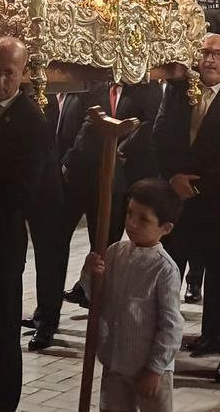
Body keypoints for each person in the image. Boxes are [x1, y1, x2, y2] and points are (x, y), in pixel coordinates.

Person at [153, 33, 220, 383]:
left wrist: (195, 184)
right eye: (205, 53)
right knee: (168, 278)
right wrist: (172, 177)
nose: (210, 60)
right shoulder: (178, 93)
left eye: (218, 54)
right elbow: (160, 136)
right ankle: (159, 353)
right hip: (178, 205)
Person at [0, 36, 48, 412]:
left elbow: (23, 190)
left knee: (4, 334)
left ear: (23, 75)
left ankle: (6, 405)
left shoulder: (31, 121)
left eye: (11, 74)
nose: (2, 81)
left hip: (0, 242)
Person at [82, 179, 184, 412]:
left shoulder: (164, 269)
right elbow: (94, 297)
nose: (132, 223)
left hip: (148, 369)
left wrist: (155, 368)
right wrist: (90, 273)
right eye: (130, 213)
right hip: (115, 362)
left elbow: (171, 325)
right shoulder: (115, 252)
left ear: (165, 228)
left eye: (144, 219)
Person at [61, 81, 161, 308]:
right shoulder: (95, 86)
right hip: (89, 172)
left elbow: (147, 124)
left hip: (125, 174)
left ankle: (99, 292)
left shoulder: (147, 88)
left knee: (108, 237)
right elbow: (86, 125)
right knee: (92, 238)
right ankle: (86, 286)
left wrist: (120, 148)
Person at [24, 90, 80, 350]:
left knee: (51, 256)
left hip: (62, 186)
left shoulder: (87, 89)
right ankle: (40, 314)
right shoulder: (33, 90)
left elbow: (87, 130)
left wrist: (66, 165)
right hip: (27, 182)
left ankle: (48, 321)